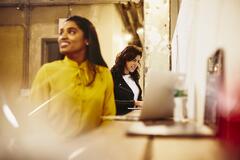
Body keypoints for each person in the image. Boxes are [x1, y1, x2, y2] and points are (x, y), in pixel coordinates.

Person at [30, 15, 116, 139]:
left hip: (92, 152)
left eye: (71, 32)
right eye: (61, 33)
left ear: (87, 39)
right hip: (54, 151)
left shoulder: (103, 74)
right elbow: (36, 118)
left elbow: (109, 117)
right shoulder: (47, 71)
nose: (63, 37)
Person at [111, 45, 143, 115]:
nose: (136, 64)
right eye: (134, 60)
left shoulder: (134, 77)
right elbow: (109, 102)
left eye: (138, 61)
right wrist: (134, 103)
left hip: (133, 118)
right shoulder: (112, 76)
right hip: (118, 119)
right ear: (125, 59)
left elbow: (138, 98)